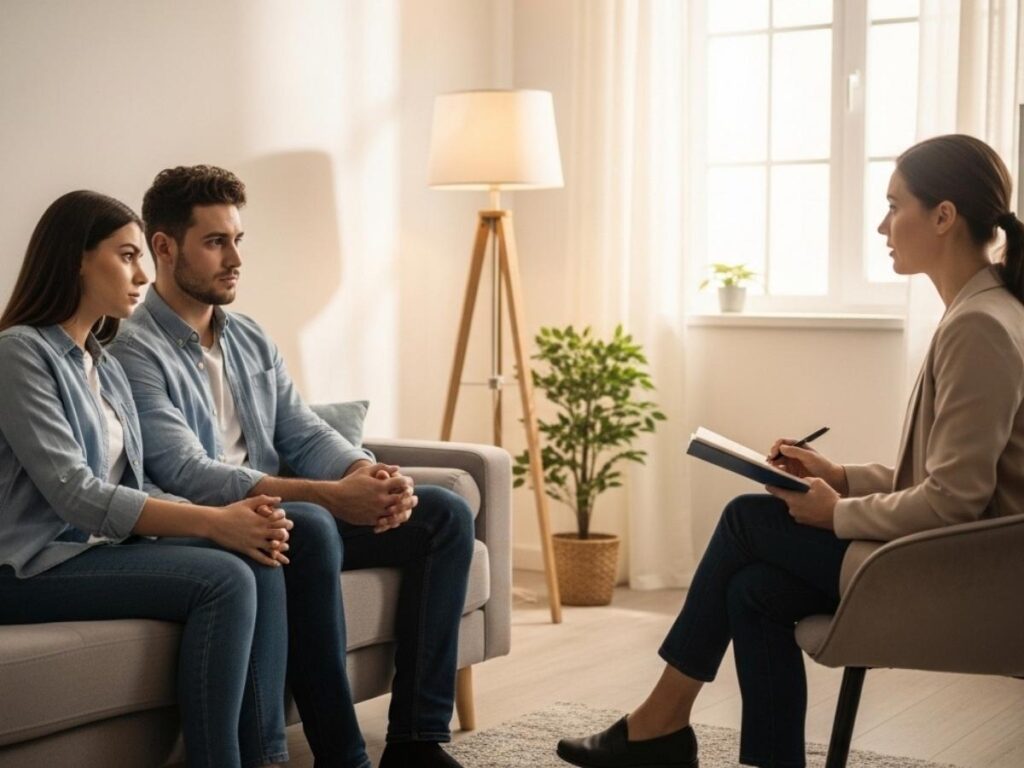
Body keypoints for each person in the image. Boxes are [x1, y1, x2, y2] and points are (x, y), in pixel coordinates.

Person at [556, 132, 1024, 768]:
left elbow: (956, 502)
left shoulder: (978, 326)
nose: (883, 225)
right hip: (951, 557)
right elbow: (944, 477)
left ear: (944, 216)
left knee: (747, 519)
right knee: (753, 588)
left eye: (895, 205)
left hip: (960, 579)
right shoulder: (984, 312)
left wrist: (834, 513)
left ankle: (660, 724)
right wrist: (838, 476)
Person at [109, 165, 476, 768]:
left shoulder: (249, 337)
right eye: (216, 242)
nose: (235, 259)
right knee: (311, 523)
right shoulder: (130, 348)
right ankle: (343, 755)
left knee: (445, 514)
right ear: (164, 248)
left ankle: (416, 739)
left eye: (238, 240)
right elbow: (186, 470)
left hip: (291, 518)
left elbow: (301, 430)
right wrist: (332, 499)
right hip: (223, 526)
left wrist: (364, 474)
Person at [0, 191, 295, 768]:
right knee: (223, 580)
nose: (142, 273)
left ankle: (268, 758)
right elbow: (76, 493)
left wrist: (238, 520)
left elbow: (134, 480)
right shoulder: (19, 353)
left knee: (258, 552)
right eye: (127, 255)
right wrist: (212, 522)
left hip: (94, 550)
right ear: (77, 259)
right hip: (26, 566)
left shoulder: (102, 363)